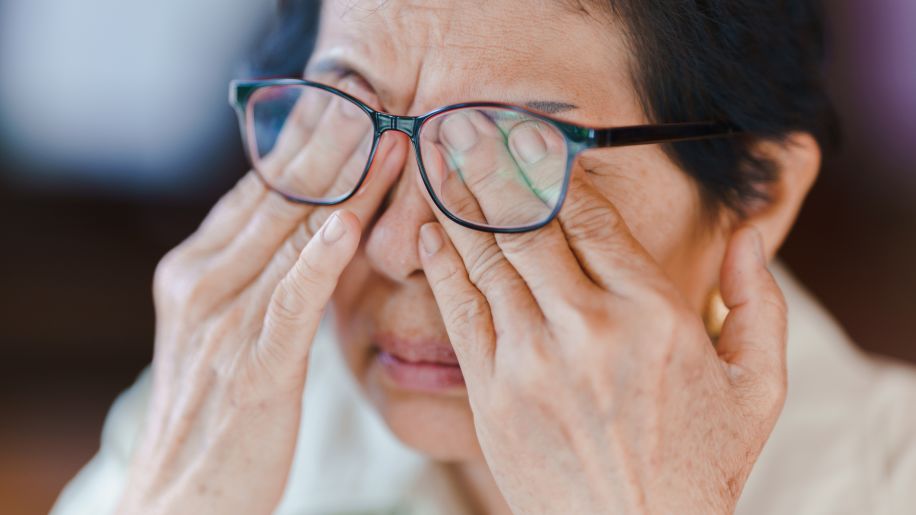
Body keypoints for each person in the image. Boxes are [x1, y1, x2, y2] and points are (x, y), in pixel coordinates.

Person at [52, 0, 916, 513]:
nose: (392, 248)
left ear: (757, 192)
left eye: (514, 156)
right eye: (350, 122)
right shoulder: (217, 412)